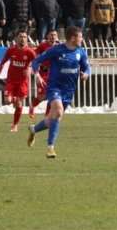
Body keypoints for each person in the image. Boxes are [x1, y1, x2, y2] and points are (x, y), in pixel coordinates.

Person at [27, 26, 90, 159]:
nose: (82, 39)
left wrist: (86, 75)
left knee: (52, 120)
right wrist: (37, 75)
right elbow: (36, 61)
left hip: (69, 91)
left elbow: (86, 67)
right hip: (54, 88)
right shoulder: (56, 50)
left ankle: (33, 129)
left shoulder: (81, 52)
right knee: (59, 111)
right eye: (80, 36)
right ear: (73, 38)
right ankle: (50, 148)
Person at [0, 31, 37, 132]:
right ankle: (15, 99)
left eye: (24, 37)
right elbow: (3, 62)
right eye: (20, 36)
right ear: (16, 38)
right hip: (11, 80)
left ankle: (15, 125)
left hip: (23, 82)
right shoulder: (11, 50)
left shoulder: (30, 52)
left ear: (27, 39)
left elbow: (37, 63)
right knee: (7, 101)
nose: (22, 38)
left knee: (18, 104)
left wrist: (31, 68)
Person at [29, 30, 58, 119]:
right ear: (47, 36)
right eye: (51, 35)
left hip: (54, 74)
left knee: (52, 95)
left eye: (55, 35)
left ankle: (47, 116)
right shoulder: (43, 46)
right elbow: (35, 57)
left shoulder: (59, 46)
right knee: (42, 96)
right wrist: (36, 71)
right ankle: (32, 106)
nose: (53, 37)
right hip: (43, 73)